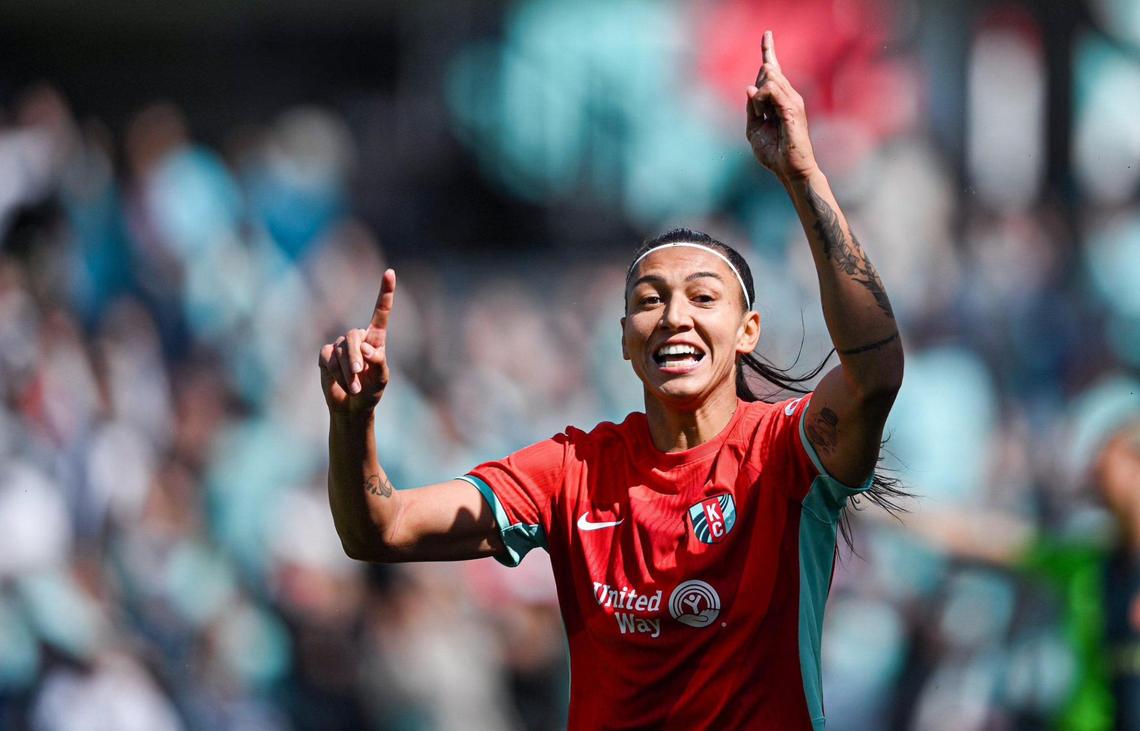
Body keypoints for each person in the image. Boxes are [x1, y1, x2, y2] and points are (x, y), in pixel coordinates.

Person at [320, 31, 903, 730]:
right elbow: (380, 528)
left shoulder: (787, 453)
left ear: (748, 331)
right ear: (625, 339)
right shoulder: (573, 472)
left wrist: (804, 173)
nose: (675, 316)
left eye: (704, 297)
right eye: (651, 299)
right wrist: (353, 423)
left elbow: (873, 368)